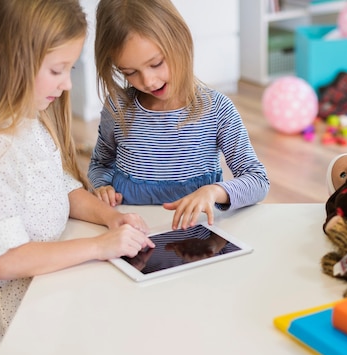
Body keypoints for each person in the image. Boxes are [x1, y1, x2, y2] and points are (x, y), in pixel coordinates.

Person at [0, 0, 155, 355]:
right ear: (12, 62)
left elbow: (62, 187)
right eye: (57, 70)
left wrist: (110, 217)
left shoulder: (28, 122)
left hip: (42, 300)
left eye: (68, 70)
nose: (67, 84)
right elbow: (3, 261)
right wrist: (97, 247)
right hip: (1, 344)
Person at [89, 0, 270, 230]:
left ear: (180, 40)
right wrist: (101, 185)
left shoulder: (217, 109)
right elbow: (100, 163)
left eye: (156, 63)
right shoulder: (118, 107)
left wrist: (214, 191)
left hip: (196, 235)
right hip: (130, 233)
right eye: (131, 72)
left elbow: (257, 180)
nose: (148, 81)